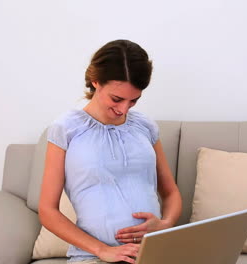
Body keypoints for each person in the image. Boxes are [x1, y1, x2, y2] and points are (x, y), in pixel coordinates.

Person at [38, 39, 182, 264]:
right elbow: (47, 210)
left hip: (151, 253)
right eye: (117, 98)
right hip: (94, 257)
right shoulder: (66, 129)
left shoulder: (145, 126)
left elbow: (170, 192)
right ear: (96, 81)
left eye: (133, 100)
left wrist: (164, 225)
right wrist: (102, 250)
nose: (123, 109)